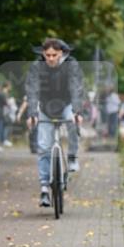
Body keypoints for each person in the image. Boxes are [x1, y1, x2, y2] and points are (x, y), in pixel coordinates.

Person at [25, 38, 84, 207]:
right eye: (47, 55)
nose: (50, 58)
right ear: (43, 53)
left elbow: (76, 87)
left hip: (66, 104)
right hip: (45, 107)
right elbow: (32, 90)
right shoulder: (37, 66)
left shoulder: (71, 65)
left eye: (54, 55)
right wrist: (32, 114)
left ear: (62, 53)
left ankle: (72, 157)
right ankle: (44, 188)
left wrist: (77, 112)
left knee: (73, 123)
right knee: (44, 146)